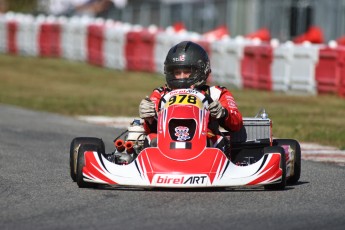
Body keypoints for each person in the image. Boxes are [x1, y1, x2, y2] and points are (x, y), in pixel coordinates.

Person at [139, 41, 243, 151]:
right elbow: (149, 129)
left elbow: (236, 123)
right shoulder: (161, 94)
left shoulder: (215, 93)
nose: (182, 77)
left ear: (201, 70)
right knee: (151, 139)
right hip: (167, 145)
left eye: (187, 72)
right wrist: (148, 118)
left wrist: (223, 113)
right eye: (177, 73)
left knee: (219, 140)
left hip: (204, 145)